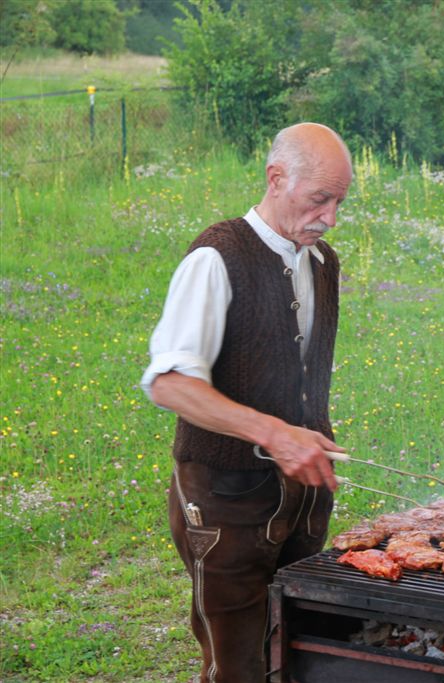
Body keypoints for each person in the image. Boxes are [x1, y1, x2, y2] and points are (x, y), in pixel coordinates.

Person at [140, 122, 353, 682]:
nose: (330, 217)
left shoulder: (323, 262)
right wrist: (275, 433)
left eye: (339, 201)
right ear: (276, 178)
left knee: (296, 647)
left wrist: (305, 433)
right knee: (238, 664)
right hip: (225, 498)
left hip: (302, 497)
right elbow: (169, 381)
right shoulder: (217, 256)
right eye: (319, 199)